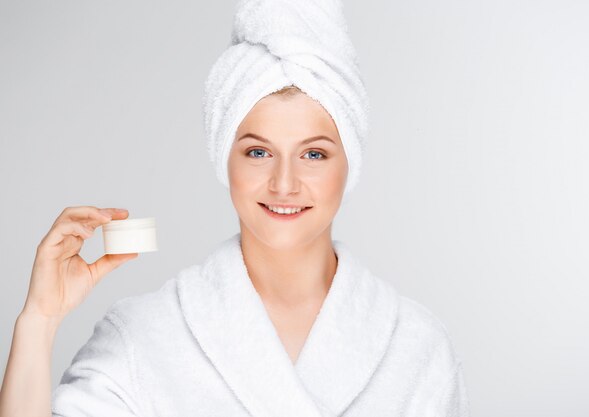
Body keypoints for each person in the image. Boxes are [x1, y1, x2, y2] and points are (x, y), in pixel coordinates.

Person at [0, 1, 471, 416]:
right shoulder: (146, 337)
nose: (284, 183)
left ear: (351, 163)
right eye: (258, 151)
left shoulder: (417, 346)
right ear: (224, 158)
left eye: (313, 154)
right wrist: (39, 319)